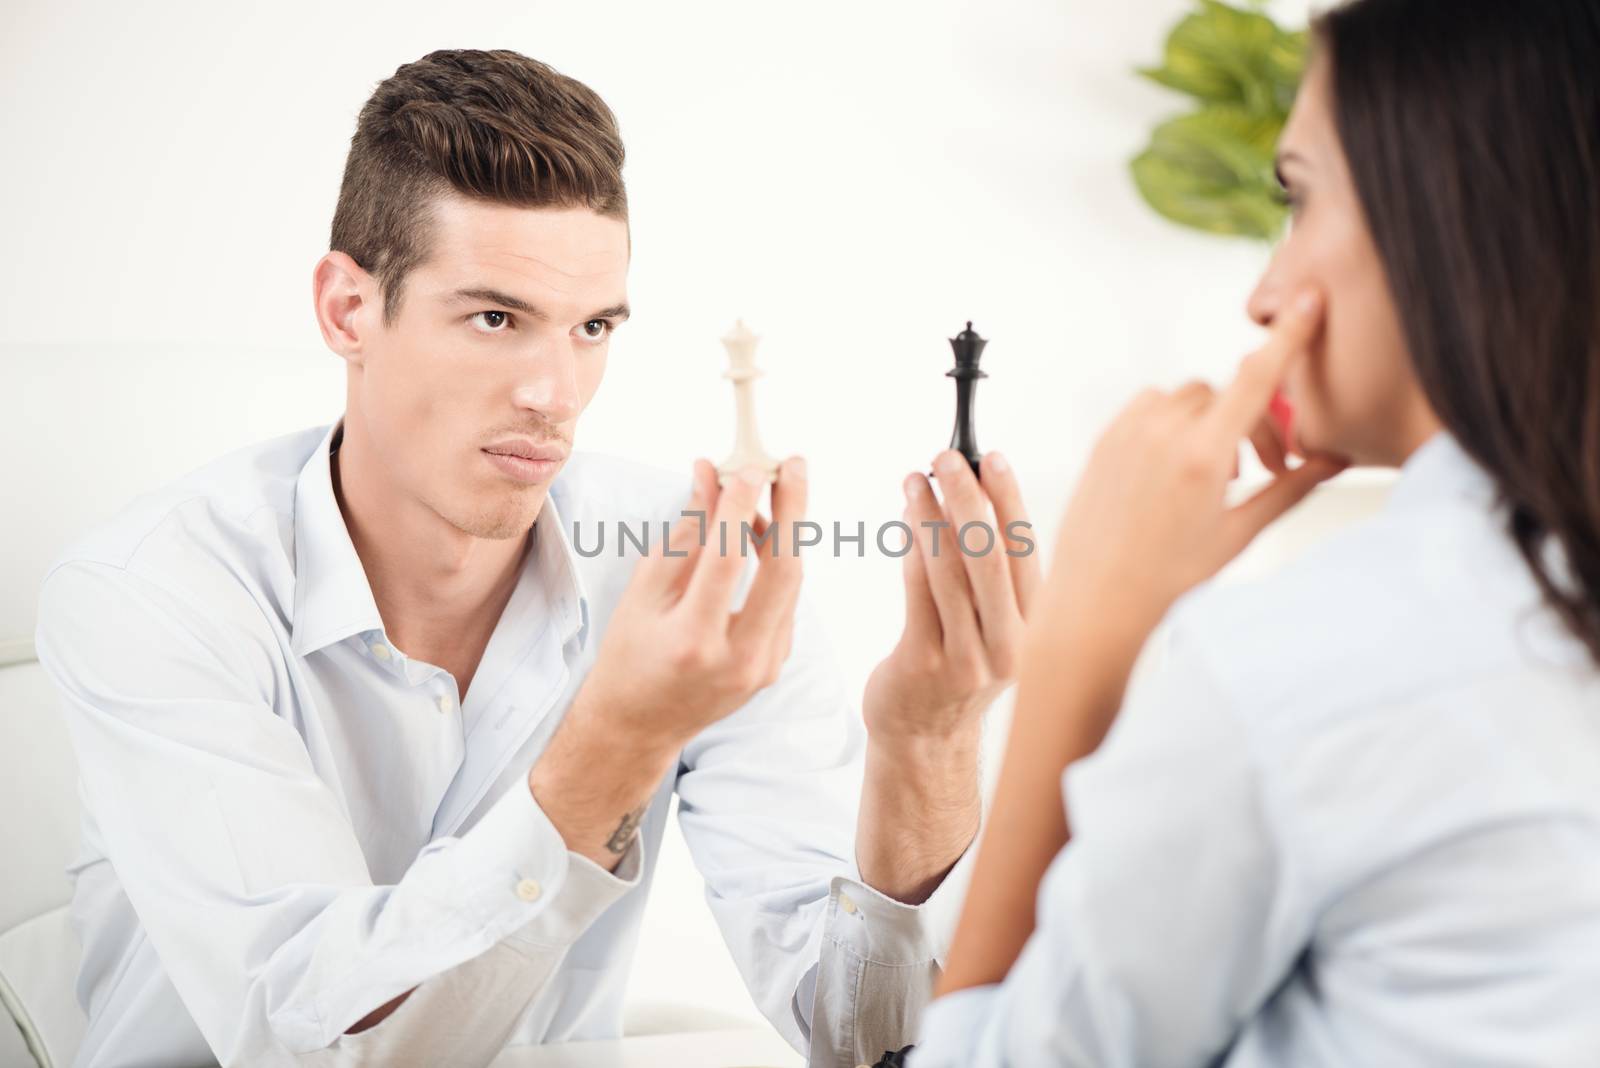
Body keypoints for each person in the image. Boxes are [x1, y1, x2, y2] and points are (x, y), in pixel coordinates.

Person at [33, 49, 1040, 1068]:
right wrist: (615, 743)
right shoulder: (153, 597)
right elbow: (320, 1053)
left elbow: (867, 1042)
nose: (555, 393)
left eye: (593, 326)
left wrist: (930, 744)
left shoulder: (684, 572)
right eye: (494, 318)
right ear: (347, 309)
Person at [911, 0, 1600, 1064]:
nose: (1263, 294)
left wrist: (1078, 658)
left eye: (1300, 196)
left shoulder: (1298, 666)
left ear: (1454, 213)